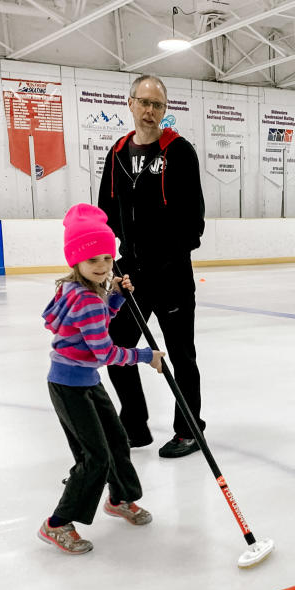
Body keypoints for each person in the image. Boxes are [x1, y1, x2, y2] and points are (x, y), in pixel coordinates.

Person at [38, 204, 164, 554]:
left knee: (117, 440)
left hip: (82, 382)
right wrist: (146, 356)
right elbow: (105, 352)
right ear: (75, 261)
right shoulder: (86, 298)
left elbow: (94, 323)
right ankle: (57, 524)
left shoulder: (76, 289)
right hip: (71, 386)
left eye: (107, 258)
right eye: (93, 260)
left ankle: (120, 498)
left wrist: (117, 297)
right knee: (95, 457)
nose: (102, 266)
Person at [98, 74, 206, 459]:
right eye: (143, 102)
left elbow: (194, 222)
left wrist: (167, 257)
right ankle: (135, 425)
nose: (149, 111)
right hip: (132, 274)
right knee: (116, 344)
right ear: (130, 103)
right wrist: (110, 263)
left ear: (164, 110)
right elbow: (105, 215)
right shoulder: (118, 154)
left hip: (172, 273)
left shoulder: (179, 152)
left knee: (181, 355)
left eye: (156, 105)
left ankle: (189, 429)